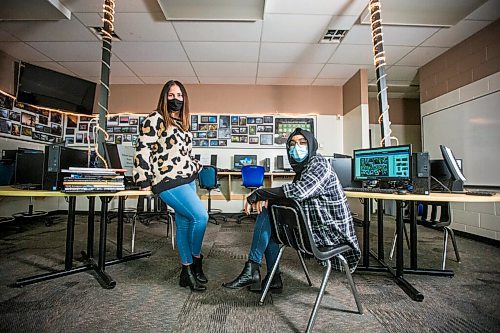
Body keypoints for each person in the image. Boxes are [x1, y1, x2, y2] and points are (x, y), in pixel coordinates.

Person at [222, 128, 361, 292]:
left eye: (302, 143)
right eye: (293, 144)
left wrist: (260, 193)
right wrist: (269, 198)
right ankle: (270, 277)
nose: (297, 147)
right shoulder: (303, 170)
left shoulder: (319, 164)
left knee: (269, 211)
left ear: (312, 146)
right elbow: (293, 196)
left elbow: (299, 191)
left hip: (329, 234)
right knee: (271, 218)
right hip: (311, 229)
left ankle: (253, 269)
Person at [133, 80, 208, 292]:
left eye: (179, 95)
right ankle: (195, 260)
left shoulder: (184, 124)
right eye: (171, 95)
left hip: (187, 179)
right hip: (166, 180)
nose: (176, 99)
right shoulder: (155, 119)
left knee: (184, 224)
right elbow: (143, 149)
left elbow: (187, 154)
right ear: (164, 97)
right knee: (201, 217)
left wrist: (195, 165)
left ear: (185, 99)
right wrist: (143, 179)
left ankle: (187, 272)